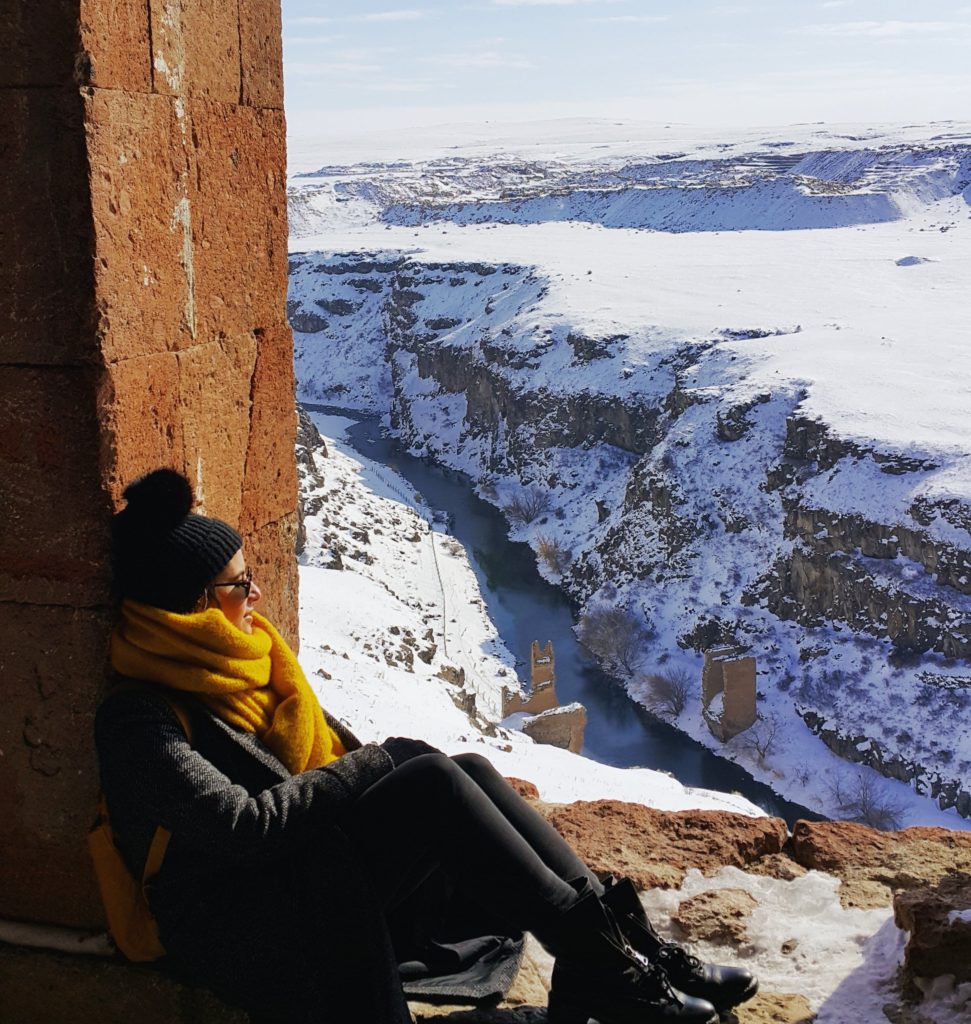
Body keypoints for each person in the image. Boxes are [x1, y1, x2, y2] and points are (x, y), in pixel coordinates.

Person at [95, 468, 757, 1024]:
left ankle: (627, 955)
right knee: (426, 782)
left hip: (306, 875)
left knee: (460, 766)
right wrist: (377, 761)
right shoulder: (140, 719)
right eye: (238, 585)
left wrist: (381, 764)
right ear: (189, 607)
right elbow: (244, 828)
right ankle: (612, 974)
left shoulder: (249, 663)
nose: (255, 594)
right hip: (244, 923)